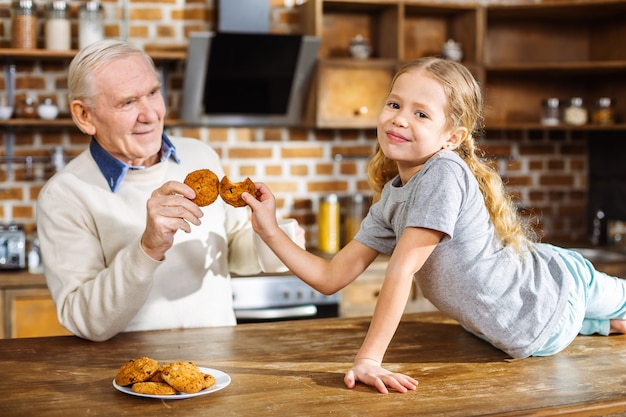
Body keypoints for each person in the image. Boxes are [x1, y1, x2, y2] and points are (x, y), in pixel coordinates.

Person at [243, 56, 626, 394]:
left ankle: (598, 320)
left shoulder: (444, 172)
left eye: (420, 113)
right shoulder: (392, 198)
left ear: (452, 137)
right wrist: (270, 230)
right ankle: (601, 324)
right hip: (522, 332)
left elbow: (402, 268)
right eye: (394, 104)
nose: (399, 118)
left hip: (558, 287)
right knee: (609, 324)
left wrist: (369, 360)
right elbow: (330, 277)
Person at [37, 39, 299, 342]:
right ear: (85, 116)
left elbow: (235, 254)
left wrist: (270, 235)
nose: (150, 114)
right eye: (127, 102)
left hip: (220, 367)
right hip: (128, 378)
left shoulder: (201, 156)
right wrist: (147, 249)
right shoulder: (64, 195)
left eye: (152, 92)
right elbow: (86, 321)